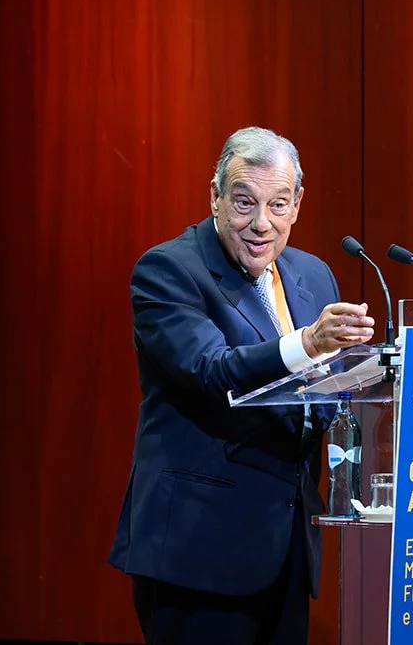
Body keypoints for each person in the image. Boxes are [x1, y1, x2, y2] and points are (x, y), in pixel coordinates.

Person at [109, 126, 376, 644]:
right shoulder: (168, 270)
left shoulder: (313, 275)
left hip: (287, 549)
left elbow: (324, 396)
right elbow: (215, 370)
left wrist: (401, 364)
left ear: (298, 204)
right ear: (214, 196)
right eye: (243, 203)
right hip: (199, 552)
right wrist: (309, 342)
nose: (261, 224)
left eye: (278, 205)